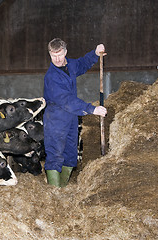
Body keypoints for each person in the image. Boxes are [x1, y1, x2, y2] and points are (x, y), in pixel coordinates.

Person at [43, 38, 107, 187]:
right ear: (50, 55)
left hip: (71, 116)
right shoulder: (51, 77)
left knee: (71, 153)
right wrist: (92, 108)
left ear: (65, 52)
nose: (57, 59)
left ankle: (63, 188)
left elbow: (82, 64)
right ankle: (54, 192)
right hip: (56, 117)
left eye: (60, 55)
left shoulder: (70, 65)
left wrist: (96, 53)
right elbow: (66, 100)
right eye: (54, 56)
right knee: (55, 153)